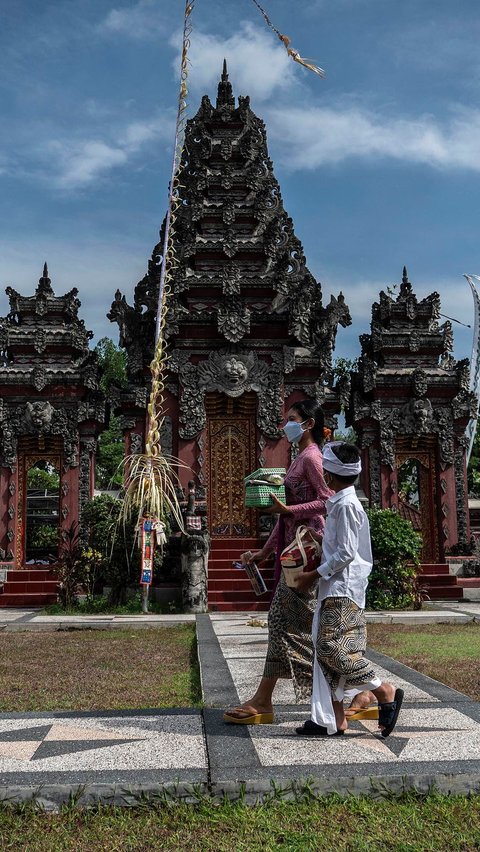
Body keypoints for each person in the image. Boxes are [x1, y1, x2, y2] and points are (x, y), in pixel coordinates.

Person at [223, 401, 373, 725]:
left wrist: (289, 512)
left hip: (312, 551)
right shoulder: (297, 459)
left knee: (288, 622)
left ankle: (359, 693)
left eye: (291, 420)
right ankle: (358, 694)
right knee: (294, 627)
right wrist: (264, 552)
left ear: (307, 424)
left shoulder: (314, 458)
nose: (285, 425)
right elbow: (284, 514)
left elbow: (326, 499)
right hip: (293, 550)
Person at [295, 442, 404, 738]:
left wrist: (311, 576)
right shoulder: (342, 504)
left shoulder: (345, 506)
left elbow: (344, 554)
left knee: (332, 648)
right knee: (324, 649)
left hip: (342, 588)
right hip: (339, 587)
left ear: (328, 476)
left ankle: (383, 690)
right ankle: (332, 719)